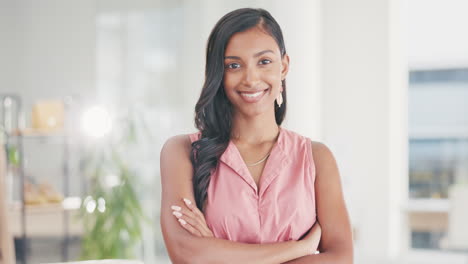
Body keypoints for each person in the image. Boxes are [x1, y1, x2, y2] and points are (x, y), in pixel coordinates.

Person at [160, 7, 353, 264]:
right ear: (219, 72)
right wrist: (299, 248)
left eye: (264, 62)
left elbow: (341, 258)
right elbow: (187, 254)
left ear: (283, 66)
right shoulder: (182, 152)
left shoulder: (317, 158)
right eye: (234, 65)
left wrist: (218, 253)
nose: (250, 79)